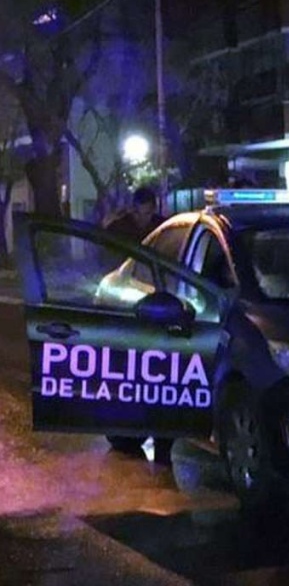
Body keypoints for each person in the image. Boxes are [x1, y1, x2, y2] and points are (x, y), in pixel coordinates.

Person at [102, 186, 171, 465]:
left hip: (157, 298)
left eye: (150, 209)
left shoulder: (162, 227)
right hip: (124, 297)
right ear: (135, 208)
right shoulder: (119, 228)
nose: (147, 214)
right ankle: (125, 421)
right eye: (143, 209)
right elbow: (105, 256)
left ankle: (163, 428)